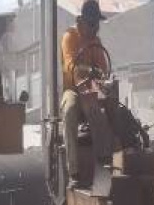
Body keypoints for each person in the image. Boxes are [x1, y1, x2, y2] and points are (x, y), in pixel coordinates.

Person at [60, 0, 111, 183]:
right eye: (93, 24)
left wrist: (102, 80)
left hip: (90, 91)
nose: (96, 28)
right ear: (83, 21)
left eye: (97, 24)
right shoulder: (70, 37)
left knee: (103, 112)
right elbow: (70, 67)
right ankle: (73, 171)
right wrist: (90, 71)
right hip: (73, 90)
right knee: (69, 109)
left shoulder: (96, 42)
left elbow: (103, 70)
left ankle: (104, 165)